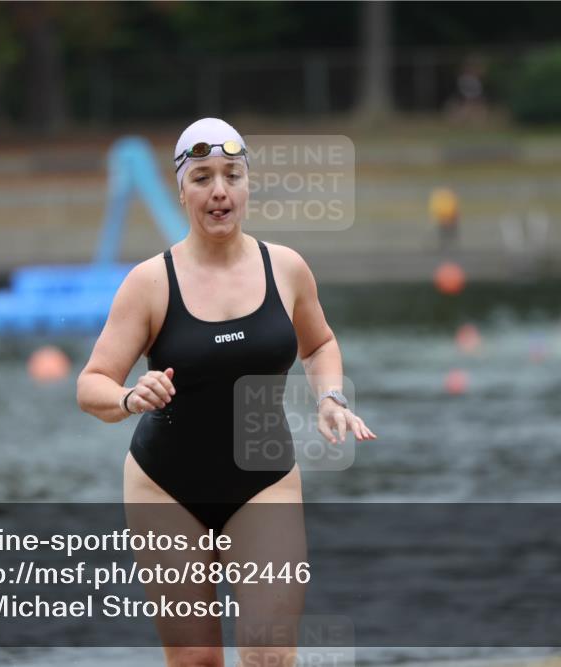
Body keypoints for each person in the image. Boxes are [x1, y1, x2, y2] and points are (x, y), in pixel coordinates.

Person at [77, 117, 376, 666]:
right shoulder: (151, 282)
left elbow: (320, 345)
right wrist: (127, 398)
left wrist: (331, 398)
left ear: (247, 184)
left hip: (263, 482)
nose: (219, 190)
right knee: (197, 662)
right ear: (182, 189)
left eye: (232, 175)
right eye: (203, 177)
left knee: (269, 655)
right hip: (165, 487)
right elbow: (90, 384)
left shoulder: (286, 269)